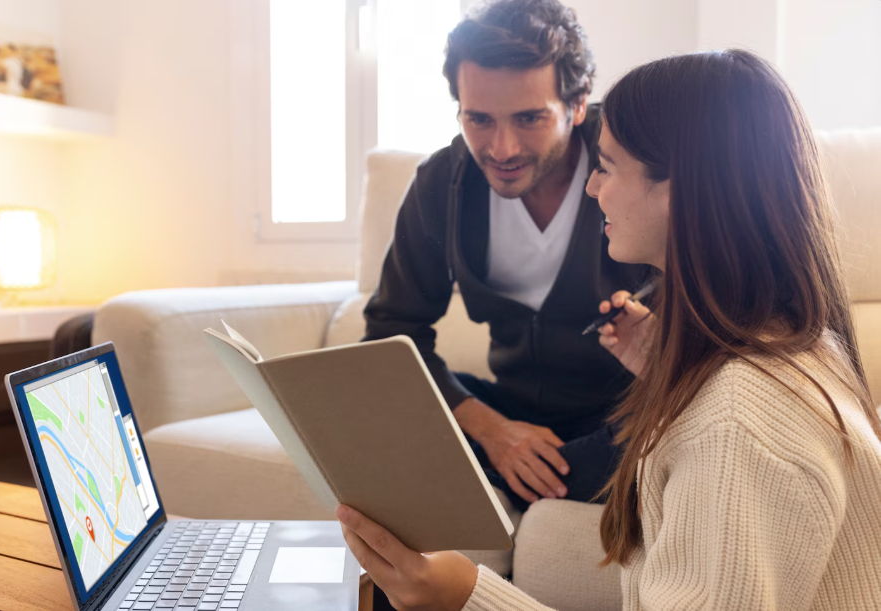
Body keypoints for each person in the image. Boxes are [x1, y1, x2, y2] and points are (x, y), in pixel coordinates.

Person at [339, 49, 881, 610]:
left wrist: (468, 596)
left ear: (680, 189)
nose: (592, 188)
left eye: (607, 166)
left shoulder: (736, 423)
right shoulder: (791, 350)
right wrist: (661, 361)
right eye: (479, 119)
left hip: (607, 422)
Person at [363, 0, 648, 512]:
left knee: (641, 446)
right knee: (370, 411)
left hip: (624, 418)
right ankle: (517, 481)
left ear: (577, 103)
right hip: (509, 410)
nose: (501, 148)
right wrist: (492, 429)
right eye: (479, 120)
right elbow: (391, 336)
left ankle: (526, 488)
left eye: (529, 118)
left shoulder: (636, 164)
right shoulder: (438, 186)